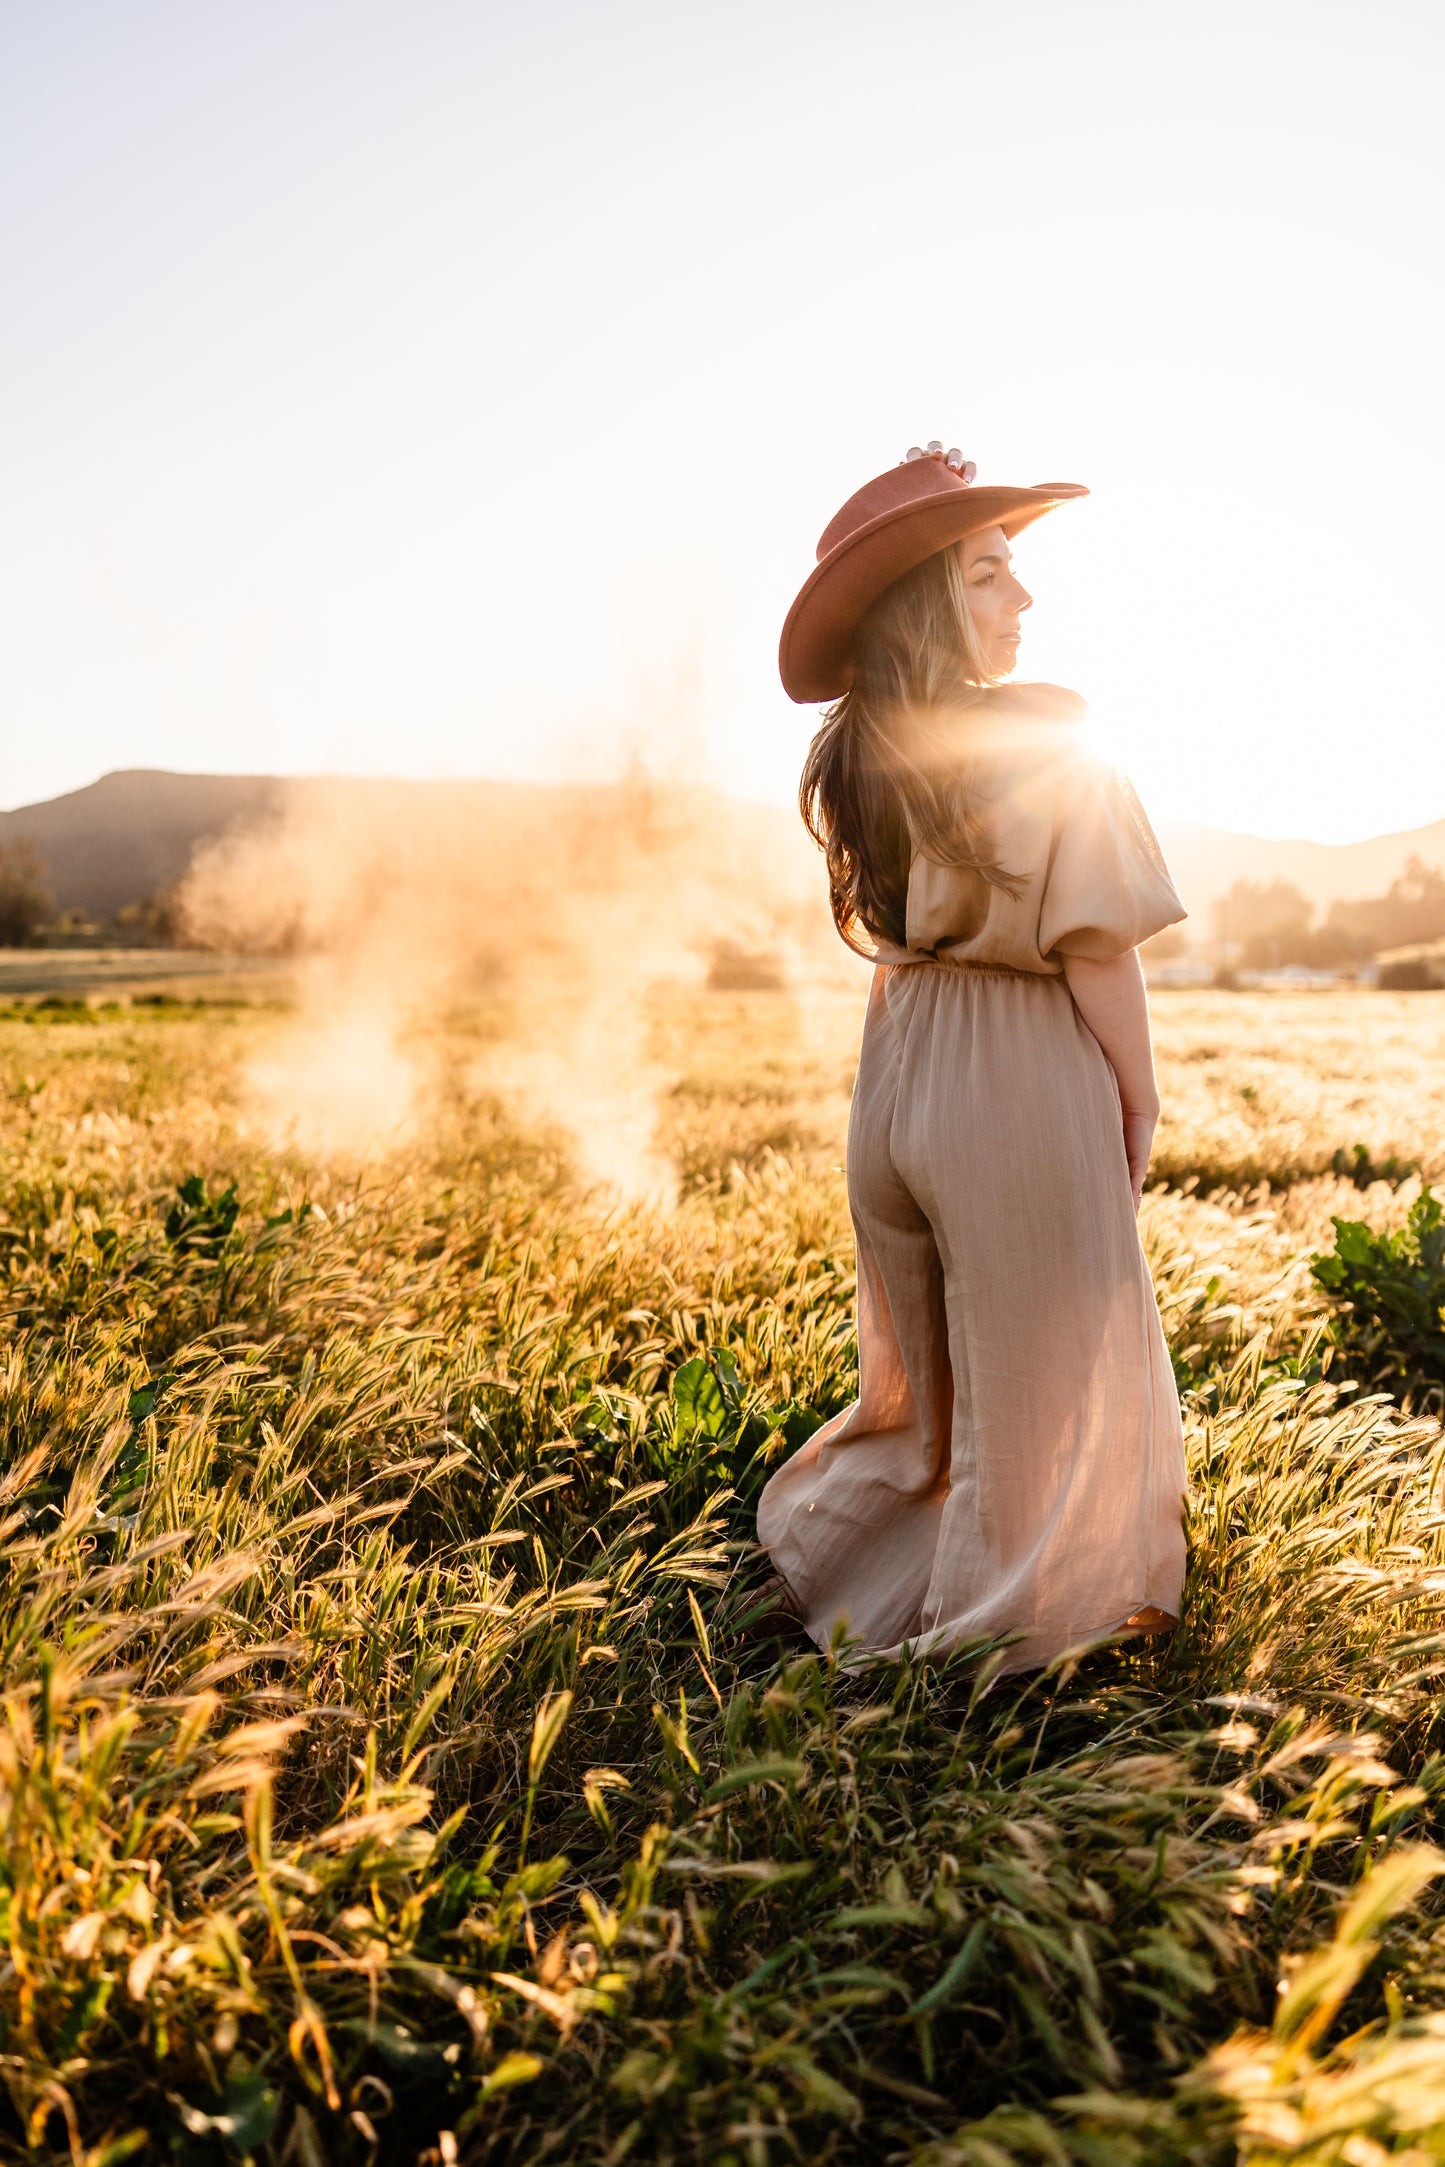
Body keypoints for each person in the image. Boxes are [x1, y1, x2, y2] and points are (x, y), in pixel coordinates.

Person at [750, 441, 1187, 1673]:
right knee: (1045, 1374)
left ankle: (847, 1581)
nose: (1024, 600)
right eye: (991, 574)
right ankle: (1005, 1641)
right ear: (932, 601)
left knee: (926, 1384)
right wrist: (1135, 1091)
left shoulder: (849, 755)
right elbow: (1096, 946)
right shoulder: (1048, 737)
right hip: (1012, 1068)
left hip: (895, 1068)